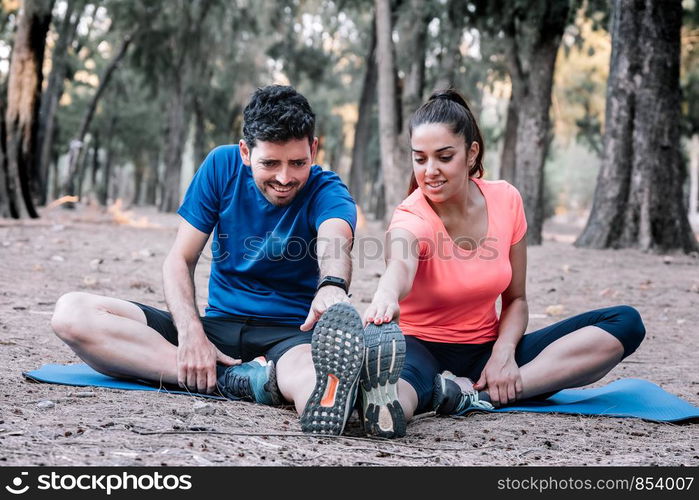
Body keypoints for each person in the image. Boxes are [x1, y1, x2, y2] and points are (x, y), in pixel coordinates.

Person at [51, 85, 395, 437]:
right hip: (217, 328)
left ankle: (322, 392)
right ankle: (234, 380)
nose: (284, 177)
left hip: (291, 337)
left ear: (314, 149)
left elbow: (334, 241)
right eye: (270, 163)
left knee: (313, 386)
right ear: (245, 152)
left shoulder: (328, 190)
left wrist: (332, 285)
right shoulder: (221, 166)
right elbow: (179, 260)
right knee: (72, 313)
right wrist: (191, 334)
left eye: (298, 163)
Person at [364, 89, 646, 424]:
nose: (430, 171)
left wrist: (503, 353)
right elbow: (401, 263)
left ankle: (473, 396)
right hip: (419, 349)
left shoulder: (506, 200)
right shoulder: (411, 216)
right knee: (398, 400)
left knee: (625, 323)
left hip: (486, 350)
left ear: (471, 154)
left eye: (444, 156)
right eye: (420, 158)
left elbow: (516, 300)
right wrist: (386, 292)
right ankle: (390, 404)